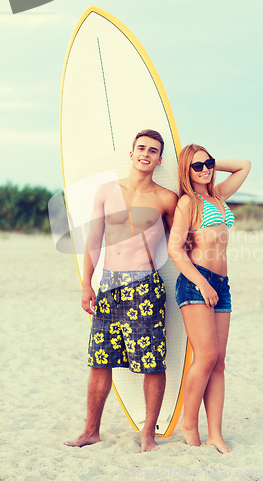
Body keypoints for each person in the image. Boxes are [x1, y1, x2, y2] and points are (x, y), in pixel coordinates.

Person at [65, 129, 178, 452]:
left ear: (158, 159)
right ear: (131, 154)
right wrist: (86, 283)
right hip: (108, 285)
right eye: (141, 148)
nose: (146, 153)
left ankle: (148, 435)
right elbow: (94, 239)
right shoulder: (107, 190)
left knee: (152, 362)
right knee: (100, 360)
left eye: (153, 150)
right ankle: (91, 430)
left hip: (144, 287)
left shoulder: (165, 199)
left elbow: (181, 240)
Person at [168, 144, 251, 453]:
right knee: (204, 356)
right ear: (186, 171)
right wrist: (202, 283)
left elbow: (244, 164)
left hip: (222, 283)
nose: (205, 169)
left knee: (218, 361)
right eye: (197, 166)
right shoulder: (188, 203)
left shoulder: (217, 195)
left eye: (209, 163)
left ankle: (215, 432)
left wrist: (210, 159)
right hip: (196, 282)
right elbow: (175, 249)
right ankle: (189, 423)